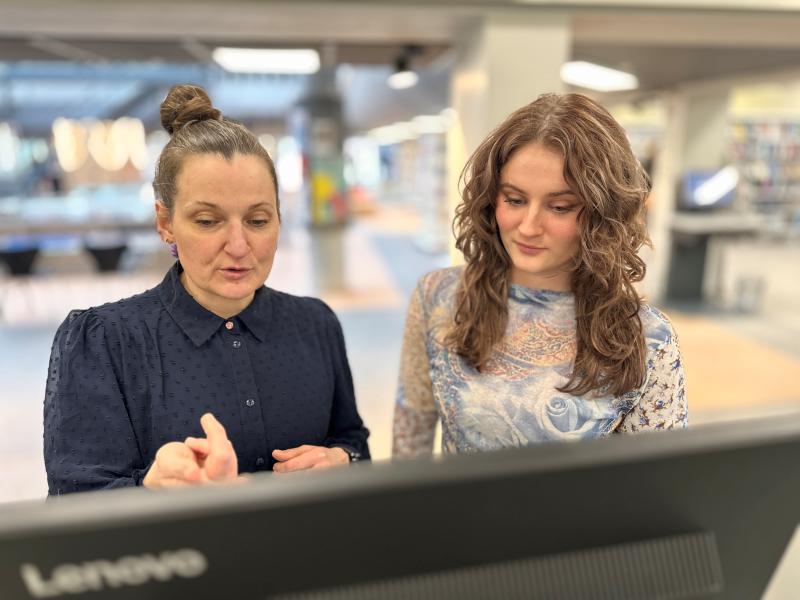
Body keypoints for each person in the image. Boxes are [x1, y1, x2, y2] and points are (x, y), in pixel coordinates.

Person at [44, 84, 369, 495]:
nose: (238, 246)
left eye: (257, 220)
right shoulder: (105, 343)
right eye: (207, 221)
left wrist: (342, 459)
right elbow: (73, 499)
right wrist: (151, 487)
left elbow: (354, 442)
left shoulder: (315, 325)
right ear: (165, 223)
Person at [393, 93, 687, 458]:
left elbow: (659, 481)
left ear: (602, 214)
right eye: (514, 200)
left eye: (559, 207)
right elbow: (409, 448)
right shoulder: (438, 296)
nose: (529, 227)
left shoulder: (647, 338)